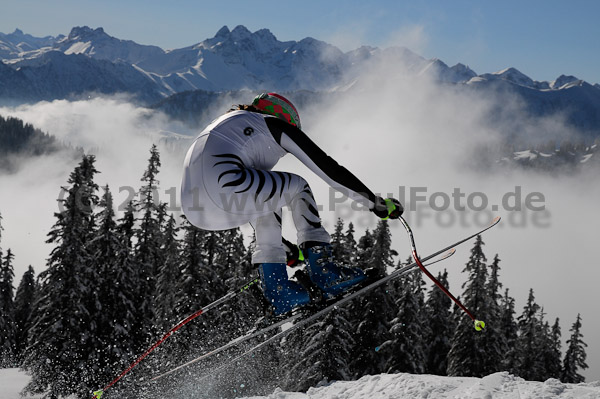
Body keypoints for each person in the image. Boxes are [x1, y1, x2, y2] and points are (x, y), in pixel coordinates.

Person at [181, 93, 403, 315]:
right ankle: (325, 273)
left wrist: (287, 249)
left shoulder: (231, 124)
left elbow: (248, 201)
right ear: (285, 118)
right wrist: (375, 203)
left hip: (195, 210)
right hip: (225, 187)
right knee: (297, 186)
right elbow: (328, 169)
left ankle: (278, 289)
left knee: (267, 198)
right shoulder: (272, 123)